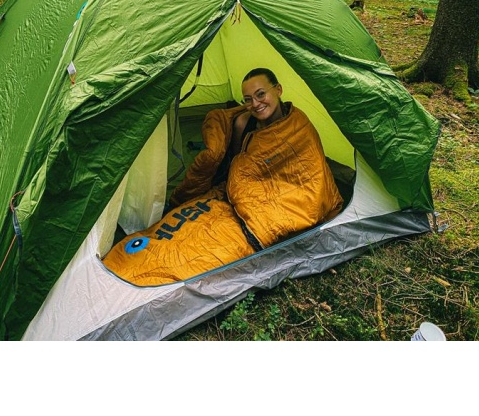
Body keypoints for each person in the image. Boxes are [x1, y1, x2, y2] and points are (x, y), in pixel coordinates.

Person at [102, 66, 344, 285]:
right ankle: (130, 262)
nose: (256, 103)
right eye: (248, 99)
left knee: (204, 251)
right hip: (229, 196)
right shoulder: (242, 123)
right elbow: (236, 165)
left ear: (278, 90)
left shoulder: (299, 126)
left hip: (267, 210)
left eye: (261, 94)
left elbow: (311, 179)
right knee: (178, 230)